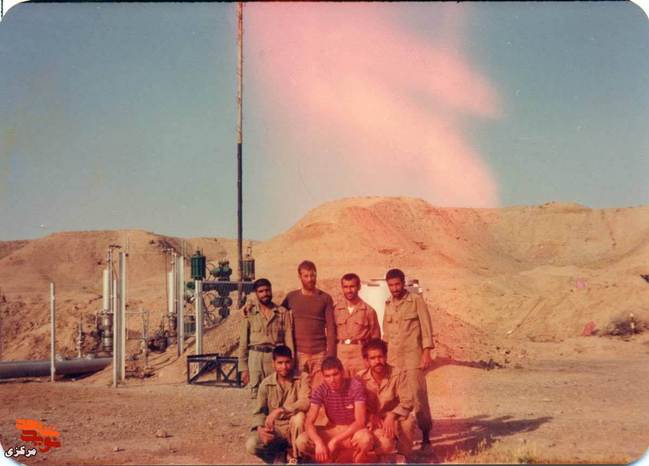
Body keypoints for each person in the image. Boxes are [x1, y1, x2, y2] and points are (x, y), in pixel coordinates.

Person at [382, 268, 435, 446]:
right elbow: (386, 333)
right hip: (393, 359)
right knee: (395, 397)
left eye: (397, 284)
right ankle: (399, 438)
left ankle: (426, 437)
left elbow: (426, 327)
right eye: (391, 285)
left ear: (403, 283)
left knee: (418, 397)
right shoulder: (388, 303)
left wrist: (426, 352)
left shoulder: (416, 300)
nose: (395, 288)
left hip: (413, 357)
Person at [294, 356, 373, 463]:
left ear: (342, 372)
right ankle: (331, 458)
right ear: (323, 376)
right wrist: (318, 442)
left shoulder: (355, 386)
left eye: (335, 374)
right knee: (302, 441)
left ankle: (350, 458)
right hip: (334, 428)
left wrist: (335, 441)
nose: (332, 380)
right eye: (327, 376)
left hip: (353, 430)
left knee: (365, 439)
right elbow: (309, 423)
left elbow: (360, 422)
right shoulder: (320, 390)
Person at [246, 345, 310, 464]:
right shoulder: (266, 384)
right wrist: (260, 429)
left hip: (294, 428)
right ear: (273, 364)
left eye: (287, 362)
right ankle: (281, 456)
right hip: (276, 430)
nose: (284, 367)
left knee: (299, 417)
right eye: (280, 363)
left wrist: (281, 409)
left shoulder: (302, 378)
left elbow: (305, 402)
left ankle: (297, 457)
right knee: (252, 444)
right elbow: (259, 412)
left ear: (292, 361)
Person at [357, 338, 415, 459]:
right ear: (366, 360)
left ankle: (402, 457)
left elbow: (408, 401)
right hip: (371, 420)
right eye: (372, 358)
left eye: (380, 357)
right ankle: (372, 456)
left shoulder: (398, 374)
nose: (377, 361)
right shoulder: (359, 378)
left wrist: (392, 415)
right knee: (379, 444)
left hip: (392, 418)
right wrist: (370, 416)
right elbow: (354, 404)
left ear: (386, 356)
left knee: (408, 421)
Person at [281, 260, 336, 388]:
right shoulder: (291, 297)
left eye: (313, 275)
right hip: (299, 354)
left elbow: (331, 328)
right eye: (306, 276)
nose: (310, 279)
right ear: (299, 277)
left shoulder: (325, 298)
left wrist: (330, 354)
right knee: (301, 389)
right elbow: (276, 312)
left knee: (320, 389)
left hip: (320, 353)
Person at [239, 278, 295, 398]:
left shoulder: (282, 312)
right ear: (256, 294)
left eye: (267, 290)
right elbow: (243, 342)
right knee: (257, 396)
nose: (265, 294)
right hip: (255, 359)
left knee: (276, 394)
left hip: (275, 358)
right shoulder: (250, 312)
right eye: (261, 291)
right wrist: (243, 368)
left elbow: (289, 339)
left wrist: (290, 362)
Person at [334, 273, 381, 377]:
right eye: (346, 287)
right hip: (341, 353)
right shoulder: (336, 310)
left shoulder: (369, 311)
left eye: (352, 286)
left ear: (359, 287)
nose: (349, 290)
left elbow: (375, 337)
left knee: (362, 382)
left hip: (360, 353)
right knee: (343, 383)